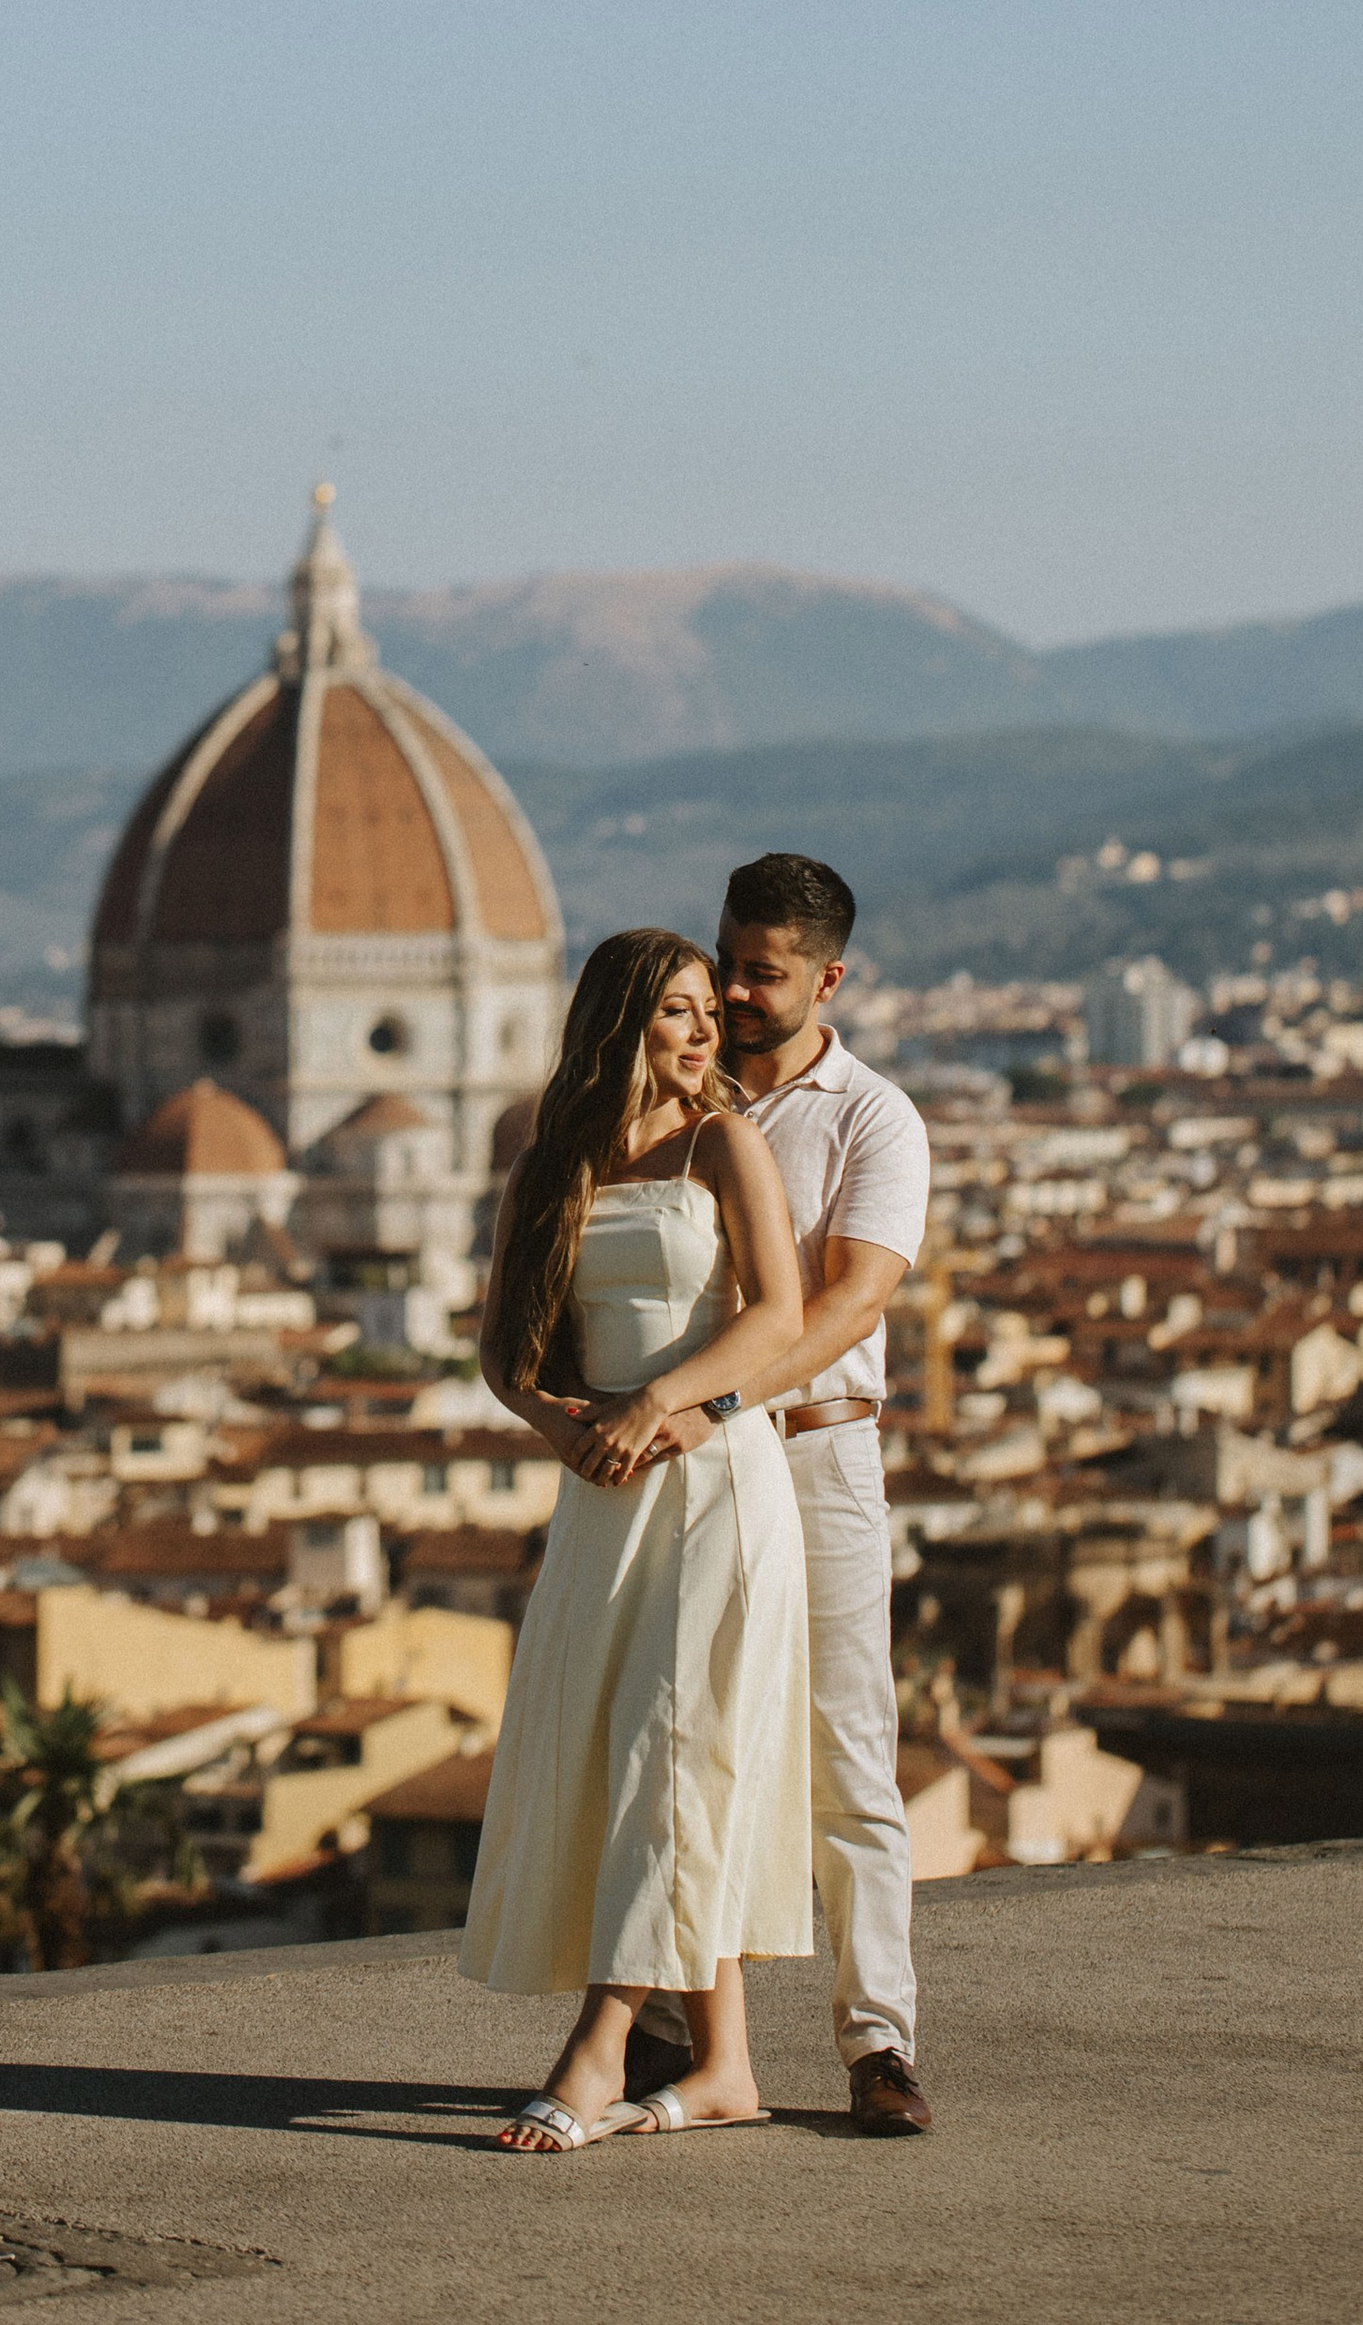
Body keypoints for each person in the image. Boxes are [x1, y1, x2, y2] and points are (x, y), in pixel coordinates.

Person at [461, 926, 813, 2153]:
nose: (704, 1028)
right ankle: (723, 2067)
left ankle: (600, 2049)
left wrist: (669, 1406)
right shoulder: (546, 1165)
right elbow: (503, 1349)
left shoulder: (728, 1142)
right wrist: (563, 1427)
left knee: (676, 1746)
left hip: (715, 1480)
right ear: (621, 1023)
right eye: (676, 1010)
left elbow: (779, 1315)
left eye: (708, 1009)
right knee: (651, 1757)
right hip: (602, 1491)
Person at [626, 854, 935, 2138]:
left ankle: (879, 2044)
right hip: (686, 1458)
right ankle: (662, 2028)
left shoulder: (873, 1117)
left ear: (828, 978)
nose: (736, 992)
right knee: (679, 1736)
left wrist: (722, 1401)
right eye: (728, 961)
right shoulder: (655, 1108)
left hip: (812, 1450)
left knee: (846, 1753)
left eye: (764, 973)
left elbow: (852, 1296)